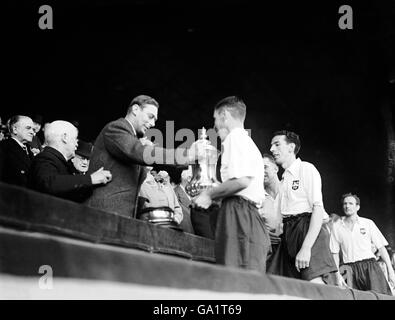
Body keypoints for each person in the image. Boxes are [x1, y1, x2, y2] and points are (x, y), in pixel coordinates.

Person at [193, 96, 270, 274]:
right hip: (245, 214)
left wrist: (208, 194)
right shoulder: (247, 142)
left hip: (240, 213)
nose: (214, 125)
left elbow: (242, 181)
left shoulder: (235, 139)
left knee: (235, 275)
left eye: (215, 119)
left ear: (224, 115)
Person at [85, 95, 190, 218]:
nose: (152, 123)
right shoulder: (116, 127)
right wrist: (185, 155)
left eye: (155, 120)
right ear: (135, 109)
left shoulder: (133, 139)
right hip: (105, 212)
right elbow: (139, 151)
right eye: (150, 117)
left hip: (121, 215)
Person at [268, 130, 338, 284]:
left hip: (307, 229)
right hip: (288, 233)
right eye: (271, 145)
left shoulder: (306, 168)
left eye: (277, 144)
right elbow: (278, 217)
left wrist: (306, 247)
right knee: (285, 286)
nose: (272, 149)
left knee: (315, 285)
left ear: (291, 147)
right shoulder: (284, 179)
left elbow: (318, 209)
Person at [29, 120, 112, 202]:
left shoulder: (61, 162)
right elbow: (48, 183)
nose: (76, 144)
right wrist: (91, 179)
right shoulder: (45, 158)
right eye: (75, 139)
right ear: (64, 137)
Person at [329, 193, 394, 295]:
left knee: (380, 297)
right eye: (345, 204)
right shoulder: (336, 226)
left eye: (351, 203)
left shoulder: (368, 223)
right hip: (349, 269)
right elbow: (334, 253)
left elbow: (381, 248)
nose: (347, 206)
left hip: (370, 267)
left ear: (357, 207)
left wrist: (391, 271)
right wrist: (337, 275)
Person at [0, 115, 35, 187]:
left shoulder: (29, 149)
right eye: (28, 128)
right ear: (15, 129)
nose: (32, 132)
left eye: (33, 129)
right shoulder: (3, 147)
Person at [260, 153, 282, 265]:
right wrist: (263, 234)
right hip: (269, 257)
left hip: (292, 253)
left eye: (265, 167)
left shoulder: (290, 190)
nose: (261, 171)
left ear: (276, 168)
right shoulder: (257, 198)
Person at [174, 168, 195, 234]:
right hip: (187, 229)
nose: (191, 180)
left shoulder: (191, 191)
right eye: (189, 177)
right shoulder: (176, 192)